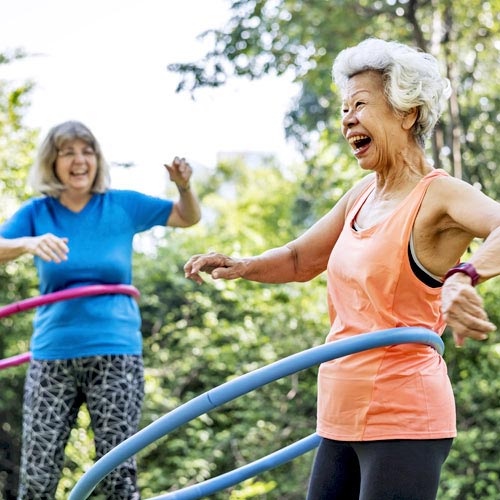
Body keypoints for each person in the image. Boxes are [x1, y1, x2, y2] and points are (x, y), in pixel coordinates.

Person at [183, 38, 500, 500]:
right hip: (338, 415)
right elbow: (299, 259)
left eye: (361, 105)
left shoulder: (441, 195)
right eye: (344, 107)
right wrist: (243, 265)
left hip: (403, 414)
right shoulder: (361, 194)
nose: (347, 118)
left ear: (407, 111)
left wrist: (465, 276)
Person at [0, 120, 201, 500]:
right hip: (52, 356)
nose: (79, 160)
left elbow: (186, 217)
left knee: (116, 476)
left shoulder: (121, 204)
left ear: (97, 159)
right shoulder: (37, 213)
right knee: (38, 477)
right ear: (53, 162)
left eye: (87, 151)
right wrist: (28, 243)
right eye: (68, 152)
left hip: (116, 354)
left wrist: (184, 186)